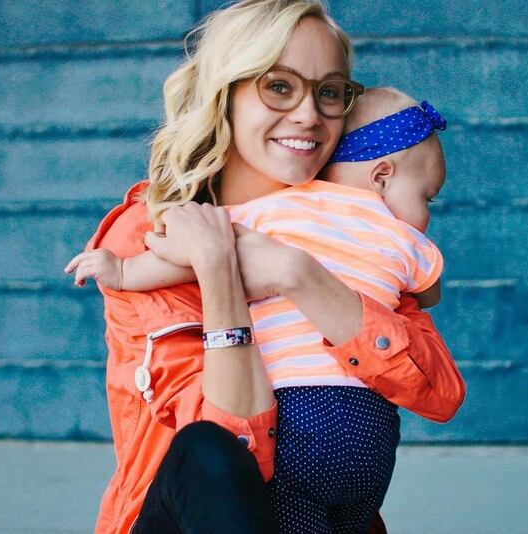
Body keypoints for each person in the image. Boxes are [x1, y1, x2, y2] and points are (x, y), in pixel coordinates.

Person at [65, 1, 465, 532]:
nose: (308, 114)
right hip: (192, 510)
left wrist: (300, 274)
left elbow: (437, 392)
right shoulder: (154, 234)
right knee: (208, 451)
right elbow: (230, 447)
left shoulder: (359, 234)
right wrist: (217, 269)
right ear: (223, 96)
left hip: (321, 508)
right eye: (279, 86)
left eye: (329, 92)